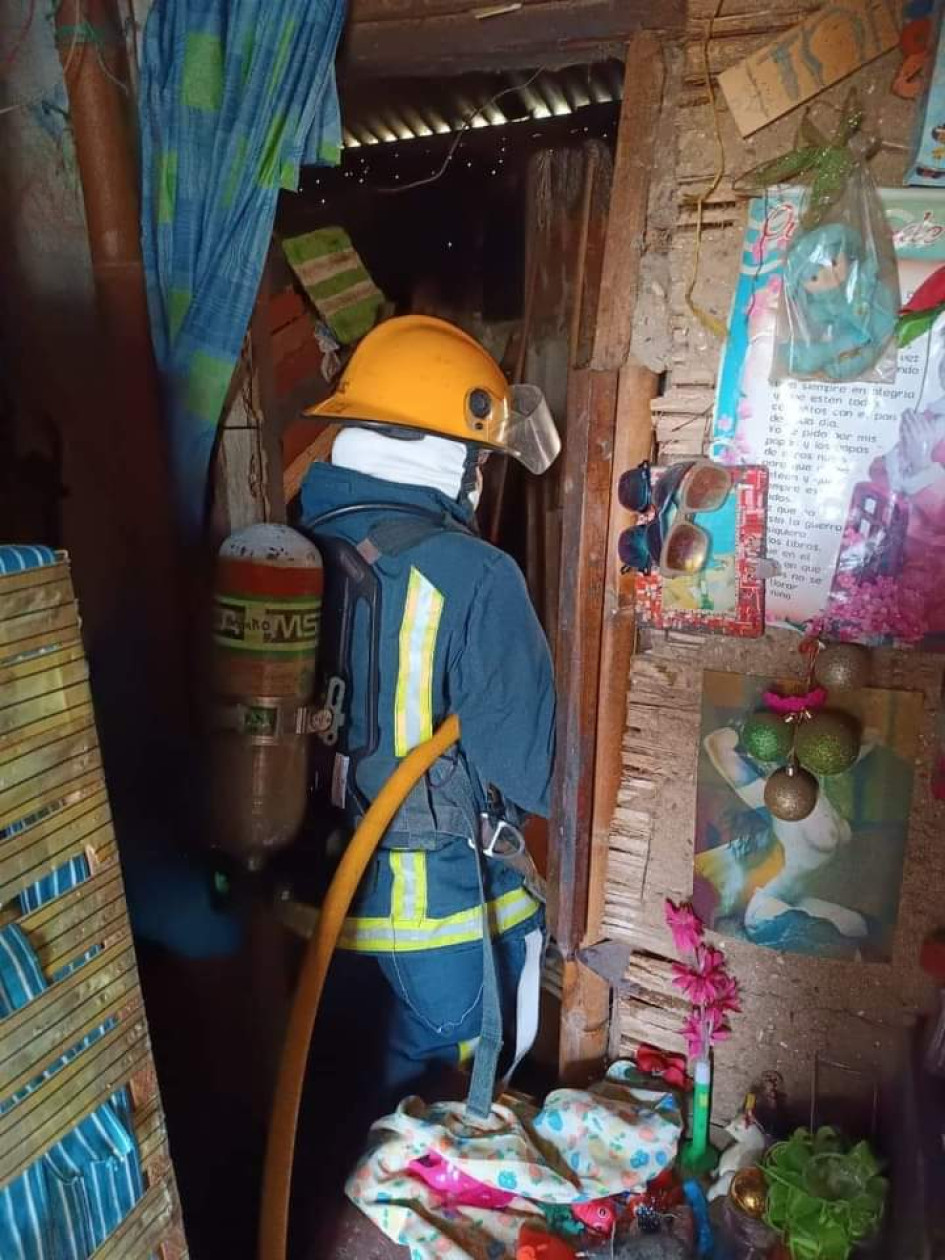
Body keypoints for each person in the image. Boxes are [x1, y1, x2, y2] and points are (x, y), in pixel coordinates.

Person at [295, 316, 558, 1159]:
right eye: (479, 457)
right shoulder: (477, 574)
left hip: (311, 922)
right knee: (442, 1156)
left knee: (340, 1138)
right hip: (441, 936)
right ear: (456, 456)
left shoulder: (290, 546)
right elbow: (530, 773)